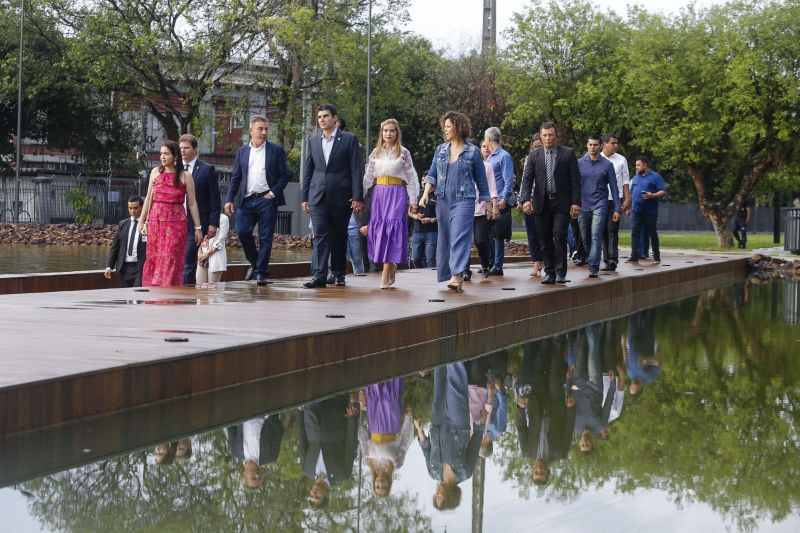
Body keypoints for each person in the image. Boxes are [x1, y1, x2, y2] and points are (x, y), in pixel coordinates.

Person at [419, 111, 491, 292]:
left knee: (460, 235)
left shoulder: (473, 152)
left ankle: (456, 275)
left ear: (458, 127)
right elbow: (432, 174)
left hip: (464, 200)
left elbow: (481, 180)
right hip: (442, 199)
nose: (445, 130)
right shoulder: (440, 150)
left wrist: (488, 202)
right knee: (445, 238)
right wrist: (426, 193)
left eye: (448, 127)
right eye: (444, 127)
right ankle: (449, 273)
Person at [301, 103, 364, 288]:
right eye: (319, 117)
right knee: (320, 234)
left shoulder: (349, 139)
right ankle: (319, 275)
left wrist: (357, 196)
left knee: (338, 235)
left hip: (341, 195)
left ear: (335, 119)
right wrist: (305, 197)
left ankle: (338, 273)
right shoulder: (313, 141)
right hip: (317, 196)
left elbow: (355, 169)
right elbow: (308, 170)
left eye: (326, 116)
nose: (322, 120)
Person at [224, 115, 290, 286]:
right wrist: (229, 199)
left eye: (266, 129)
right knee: (242, 231)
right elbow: (236, 177)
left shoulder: (276, 150)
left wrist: (272, 194)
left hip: (266, 200)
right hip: (246, 200)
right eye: (260, 129)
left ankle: (261, 273)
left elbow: (284, 176)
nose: (264, 132)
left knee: (265, 238)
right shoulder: (242, 151)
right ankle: (255, 264)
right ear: (251, 130)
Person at [520, 122, 581, 284]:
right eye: (544, 135)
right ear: (541, 136)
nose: (547, 138)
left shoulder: (568, 154)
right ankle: (549, 272)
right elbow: (527, 180)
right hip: (541, 203)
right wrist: (525, 199)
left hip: (561, 203)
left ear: (556, 136)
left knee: (559, 235)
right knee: (544, 238)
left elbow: (575, 180)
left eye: (551, 135)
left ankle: (560, 272)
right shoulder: (534, 156)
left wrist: (576, 202)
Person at [362, 118, 420, 289]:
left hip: (396, 194)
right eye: (385, 130)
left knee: (392, 230)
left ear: (397, 133)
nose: (388, 133)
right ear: (381, 133)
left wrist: (414, 200)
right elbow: (368, 177)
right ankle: (389, 266)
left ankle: (386, 271)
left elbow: (412, 177)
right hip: (379, 194)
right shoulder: (375, 153)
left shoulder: (403, 153)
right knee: (379, 231)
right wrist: (359, 196)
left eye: (392, 130)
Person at [139, 141, 203, 287]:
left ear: (175, 157)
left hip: (176, 223)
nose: (162, 156)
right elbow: (149, 198)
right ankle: (155, 289)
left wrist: (198, 228)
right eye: (161, 153)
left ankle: (168, 289)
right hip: (156, 221)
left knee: (170, 256)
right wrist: (142, 222)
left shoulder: (185, 176)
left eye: (166, 154)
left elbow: (192, 203)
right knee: (155, 255)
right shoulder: (156, 172)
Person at [297, 394, 359, 509]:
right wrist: (353, 418)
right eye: (317, 497)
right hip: (336, 411)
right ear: (326, 495)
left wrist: (300, 413)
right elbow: (350, 444)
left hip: (311, 414)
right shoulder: (342, 474)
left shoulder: (306, 470)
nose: (314, 493)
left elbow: (302, 440)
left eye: (311, 495)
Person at [358, 378, 414, 498]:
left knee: (373, 387)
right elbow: (405, 441)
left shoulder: (367, 462)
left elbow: (362, 438)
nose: (381, 484)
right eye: (384, 487)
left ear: (374, 483)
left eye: (377, 486)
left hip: (374, 422)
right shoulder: (396, 464)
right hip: (391, 422)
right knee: (390, 390)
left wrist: (356, 420)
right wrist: (408, 420)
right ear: (389, 484)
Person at [179, 133, 220, 286]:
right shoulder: (174, 170)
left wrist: (213, 223)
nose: (183, 151)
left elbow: (215, 199)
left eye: (186, 148)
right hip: (176, 221)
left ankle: (186, 295)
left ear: (195, 149)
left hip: (196, 224)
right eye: (181, 148)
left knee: (188, 260)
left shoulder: (207, 169)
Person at [577, 135, 620, 278]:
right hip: (583, 205)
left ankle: (593, 267)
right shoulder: (579, 163)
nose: (592, 147)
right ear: (587, 145)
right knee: (585, 238)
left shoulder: (607, 165)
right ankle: (592, 260)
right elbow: (574, 186)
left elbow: (614, 188)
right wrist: (573, 204)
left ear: (600, 146)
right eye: (590, 144)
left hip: (600, 204)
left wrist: (617, 209)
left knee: (596, 236)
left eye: (595, 145)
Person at [484, 127, 516, 276]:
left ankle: (498, 265)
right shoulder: (490, 157)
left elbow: (508, 179)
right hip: (490, 201)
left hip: (499, 200)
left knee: (498, 234)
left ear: (489, 139)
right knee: (489, 233)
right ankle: (491, 263)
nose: (484, 141)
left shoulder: (504, 156)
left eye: (485, 139)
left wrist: (504, 198)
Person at [467, 140, 500, 280]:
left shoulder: (487, 167)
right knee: (464, 242)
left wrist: (494, 205)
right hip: (464, 209)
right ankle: (464, 270)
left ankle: (485, 263)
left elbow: (492, 187)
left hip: (481, 209)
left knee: (480, 240)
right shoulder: (462, 165)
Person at [227, 414, 285, 491]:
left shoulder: (236, 453)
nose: (257, 475)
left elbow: (231, 428)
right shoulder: (271, 456)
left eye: (254, 478)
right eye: (259, 478)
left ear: (244, 475)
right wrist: (267, 415)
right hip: (264, 408)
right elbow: (279, 430)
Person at [627, 156, 667, 263]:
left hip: (650, 212)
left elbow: (663, 191)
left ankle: (656, 256)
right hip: (636, 211)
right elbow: (631, 193)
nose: (636, 167)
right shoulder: (635, 177)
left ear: (645, 165)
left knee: (652, 233)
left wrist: (652, 195)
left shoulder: (655, 176)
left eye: (638, 165)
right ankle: (635, 255)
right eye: (636, 165)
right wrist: (628, 207)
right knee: (635, 232)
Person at [599, 134, 631, 271]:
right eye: (613, 143)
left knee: (612, 229)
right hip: (599, 200)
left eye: (616, 143)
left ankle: (612, 260)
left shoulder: (621, 160)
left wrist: (627, 198)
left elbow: (625, 181)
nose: (616, 145)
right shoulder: (597, 158)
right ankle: (606, 260)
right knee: (602, 231)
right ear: (605, 144)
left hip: (615, 200)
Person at [105, 195, 147, 287]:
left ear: (142, 207)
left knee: (138, 293)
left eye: (136, 208)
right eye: (130, 208)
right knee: (127, 296)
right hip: (125, 268)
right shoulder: (122, 224)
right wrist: (109, 266)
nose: (132, 211)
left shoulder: (147, 224)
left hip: (140, 267)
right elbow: (115, 247)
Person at [520, 134, 544, 277]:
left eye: (539, 146)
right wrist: (522, 200)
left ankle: (547, 259)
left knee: (545, 232)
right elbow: (525, 180)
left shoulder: (551, 159)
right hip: (530, 200)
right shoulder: (529, 160)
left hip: (546, 201)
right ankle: (536, 261)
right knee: (532, 233)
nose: (537, 149)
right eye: (534, 147)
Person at [410, 176, 437, 269]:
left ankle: (429, 280)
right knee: (415, 258)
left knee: (430, 259)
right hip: (417, 230)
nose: (424, 182)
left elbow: (443, 216)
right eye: (423, 180)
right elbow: (408, 211)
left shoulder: (437, 195)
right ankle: (421, 275)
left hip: (432, 231)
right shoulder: (417, 193)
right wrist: (415, 216)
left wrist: (431, 219)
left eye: (426, 180)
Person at [196, 213, 229, 284]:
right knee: (199, 287)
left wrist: (207, 254)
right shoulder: (200, 216)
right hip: (201, 256)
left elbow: (220, 241)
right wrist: (199, 254)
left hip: (216, 256)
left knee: (213, 289)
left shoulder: (223, 219)